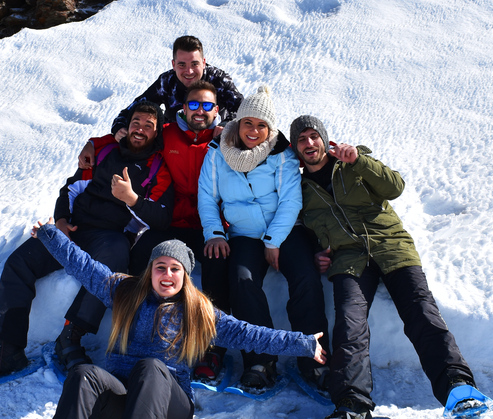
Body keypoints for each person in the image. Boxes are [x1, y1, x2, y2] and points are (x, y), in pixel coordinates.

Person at [31, 219, 326, 419]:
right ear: (150, 271)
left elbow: (250, 334)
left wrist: (303, 343)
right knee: (83, 374)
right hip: (123, 404)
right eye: (161, 267)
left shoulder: (197, 310)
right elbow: (83, 265)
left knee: (150, 367)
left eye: (175, 269)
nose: (167, 275)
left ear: (185, 275)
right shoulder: (125, 292)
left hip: (170, 408)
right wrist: (49, 235)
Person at [289, 114, 481, 419]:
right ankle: (353, 407)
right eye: (301, 140)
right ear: (295, 149)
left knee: (420, 311)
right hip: (349, 259)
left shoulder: (352, 162)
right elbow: (301, 229)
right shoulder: (299, 188)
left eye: (313, 136)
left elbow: (395, 187)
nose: (309, 144)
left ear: (324, 138)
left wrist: (360, 161)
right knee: (349, 326)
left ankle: (457, 387)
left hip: (391, 246)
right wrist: (317, 251)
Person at [0, 101, 174, 380]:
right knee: (19, 262)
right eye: (136, 122)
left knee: (111, 266)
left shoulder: (158, 167)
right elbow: (70, 188)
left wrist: (131, 199)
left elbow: (160, 218)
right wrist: (62, 220)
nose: (140, 129)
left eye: (149, 126)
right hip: (74, 229)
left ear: (157, 132)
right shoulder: (103, 151)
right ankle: (7, 349)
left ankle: (70, 337)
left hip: (111, 237)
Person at [78, 80, 233, 381]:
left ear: (216, 110)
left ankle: (212, 348)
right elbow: (132, 137)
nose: (199, 112)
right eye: (193, 104)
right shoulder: (168, 134)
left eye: (206, 106)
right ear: (183, 107)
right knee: (141, 260)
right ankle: (138, 336)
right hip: (171, 221)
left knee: (217, 266)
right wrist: (93, 143)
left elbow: (263, 142)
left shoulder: (226, 139)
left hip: (210, 223)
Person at [197, 85, 322, 390]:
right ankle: (260, 360)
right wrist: (214, 233)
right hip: (243, 235)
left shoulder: (283, 155)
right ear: (237, 124)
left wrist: (273, 241)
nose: (254, 131)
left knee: (305, 278)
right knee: (242, 281)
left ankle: (313, 358)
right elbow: (207, 198)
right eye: (248, 123)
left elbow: (291, 200)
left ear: (271, 129)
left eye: (262, 125)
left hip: (285, 232)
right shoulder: (216, 154)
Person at [106, 35, 244, 144]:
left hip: (213, 140)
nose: (189, 71)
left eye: (194, 64)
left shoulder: (218, 79)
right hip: (175, 143)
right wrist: (119, 128)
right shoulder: (167, 82)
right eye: (182, 64)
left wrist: (227, 125)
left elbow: (244, 108)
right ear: (173, 64)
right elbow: (134, 108)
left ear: (203, 62)